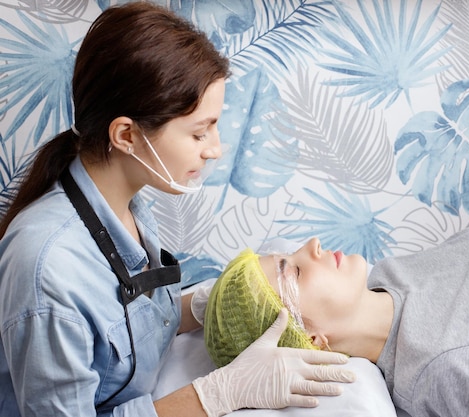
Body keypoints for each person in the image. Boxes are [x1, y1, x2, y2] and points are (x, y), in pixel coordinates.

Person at [0, 3, 354, 417]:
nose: (215, 149)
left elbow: (126, 323)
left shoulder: (126, 206)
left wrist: (214, 306)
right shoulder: (47, 270)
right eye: (199, 131)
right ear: (127, 135)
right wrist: (217, 394)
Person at [204, 215, 469, 417]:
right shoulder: (439, 369)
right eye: (292, 269)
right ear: (311, 340)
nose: (311, 244)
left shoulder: (390, 275)